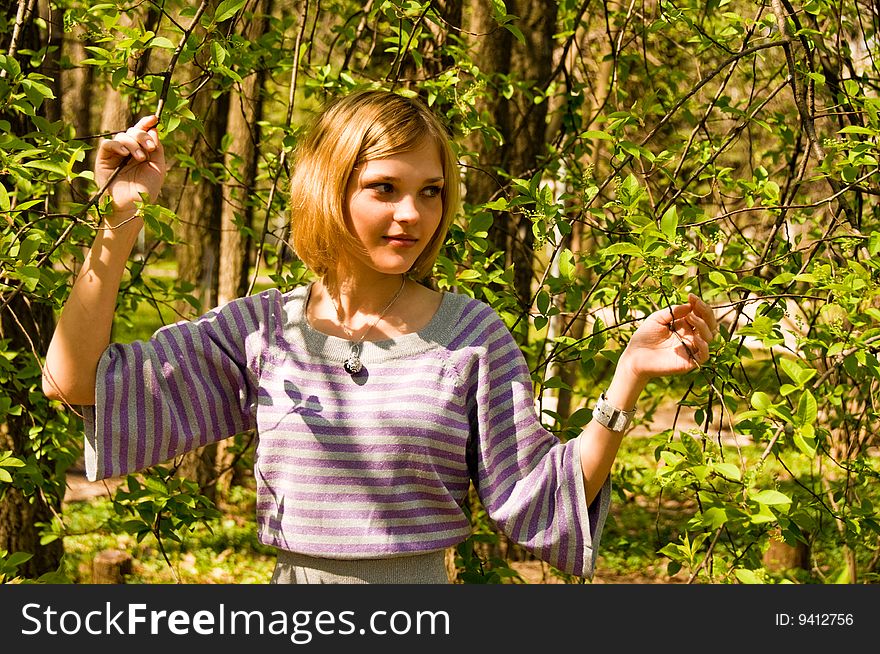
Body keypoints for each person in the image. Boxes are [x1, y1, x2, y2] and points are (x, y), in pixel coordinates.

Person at [42, 89, 718, 584]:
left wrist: (626, 379)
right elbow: (72, 381)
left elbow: (537, 498)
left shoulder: (472, 338)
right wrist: (120, 216)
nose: (411, 214)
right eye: (384, 187)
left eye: (430, 192)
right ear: (329, 190)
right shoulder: (262, 332)